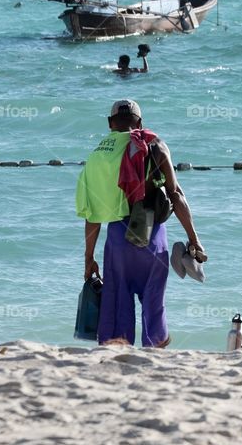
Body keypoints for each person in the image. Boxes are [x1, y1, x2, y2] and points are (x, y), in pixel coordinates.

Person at [76, 99, 204, 347]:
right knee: (154, 305)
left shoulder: (96, 157)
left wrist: (89, 258)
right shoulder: (153, 145)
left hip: (117, 242)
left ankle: (119, 362)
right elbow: (176, 195)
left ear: (110, 123)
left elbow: (91, 216)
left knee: (117, 311)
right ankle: (155, 350)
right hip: (152, 236)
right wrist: (194, 239)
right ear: (140, 122)